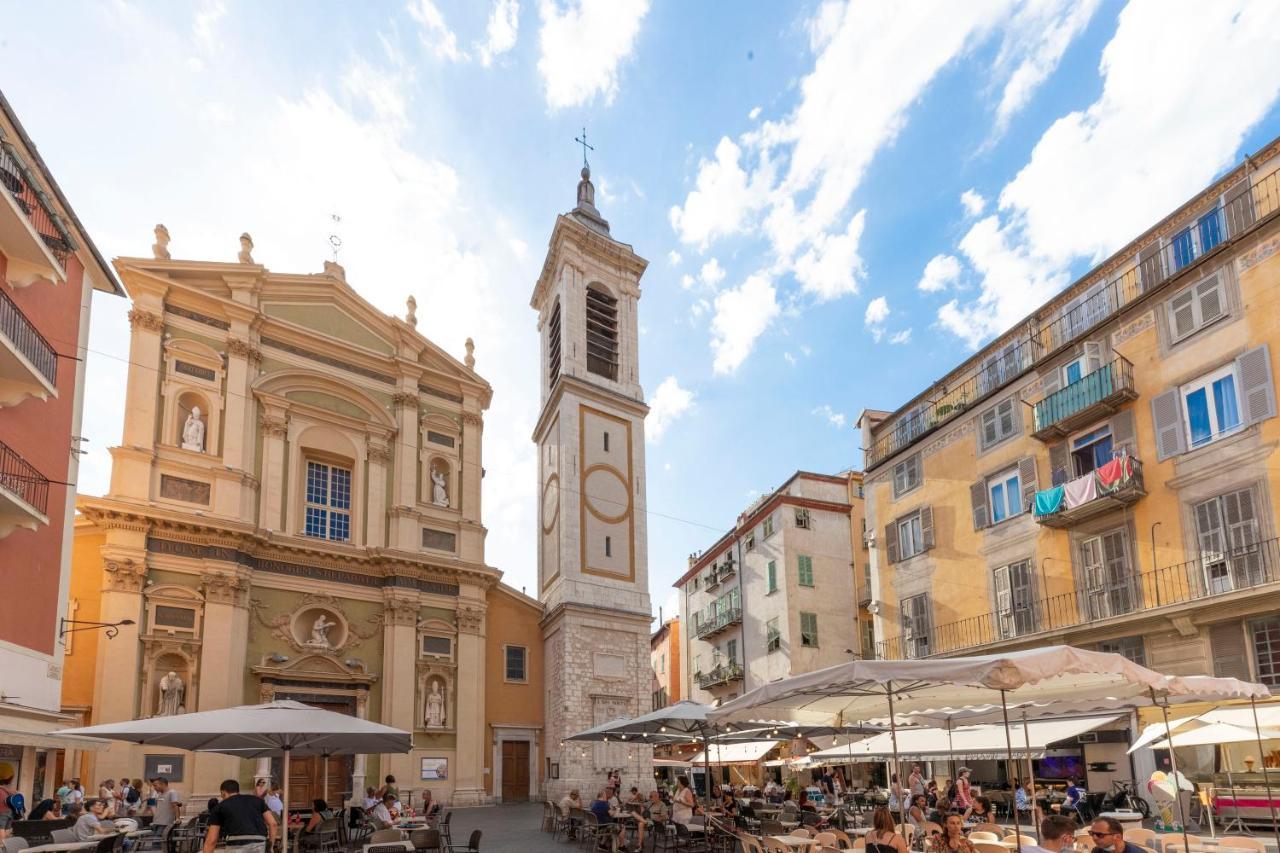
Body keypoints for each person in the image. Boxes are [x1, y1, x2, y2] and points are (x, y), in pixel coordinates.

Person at [204, 779, 275, 853]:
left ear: (223, 793)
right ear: (238, 791)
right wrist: (271, 847)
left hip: (235, 844)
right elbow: (273, 823)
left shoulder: (220, 807)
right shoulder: (258, 801)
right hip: (260, 843)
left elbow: (211, 840)